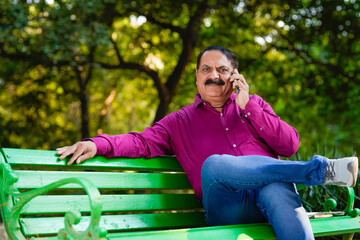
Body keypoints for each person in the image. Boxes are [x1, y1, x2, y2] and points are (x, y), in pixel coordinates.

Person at [57, 46, 358, 240]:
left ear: (234, 76)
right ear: (197, 79)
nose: (214, 75)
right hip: (227, 207)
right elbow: (140, 142)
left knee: (278, 187)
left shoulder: (254, 106)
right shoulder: (178, 122)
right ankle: (321, 172)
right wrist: (97, 144)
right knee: (214, 164)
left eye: (222, 69)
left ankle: (316, 173)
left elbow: (289, 144)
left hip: (270, 201)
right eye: (206, 69)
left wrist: (248, 106)